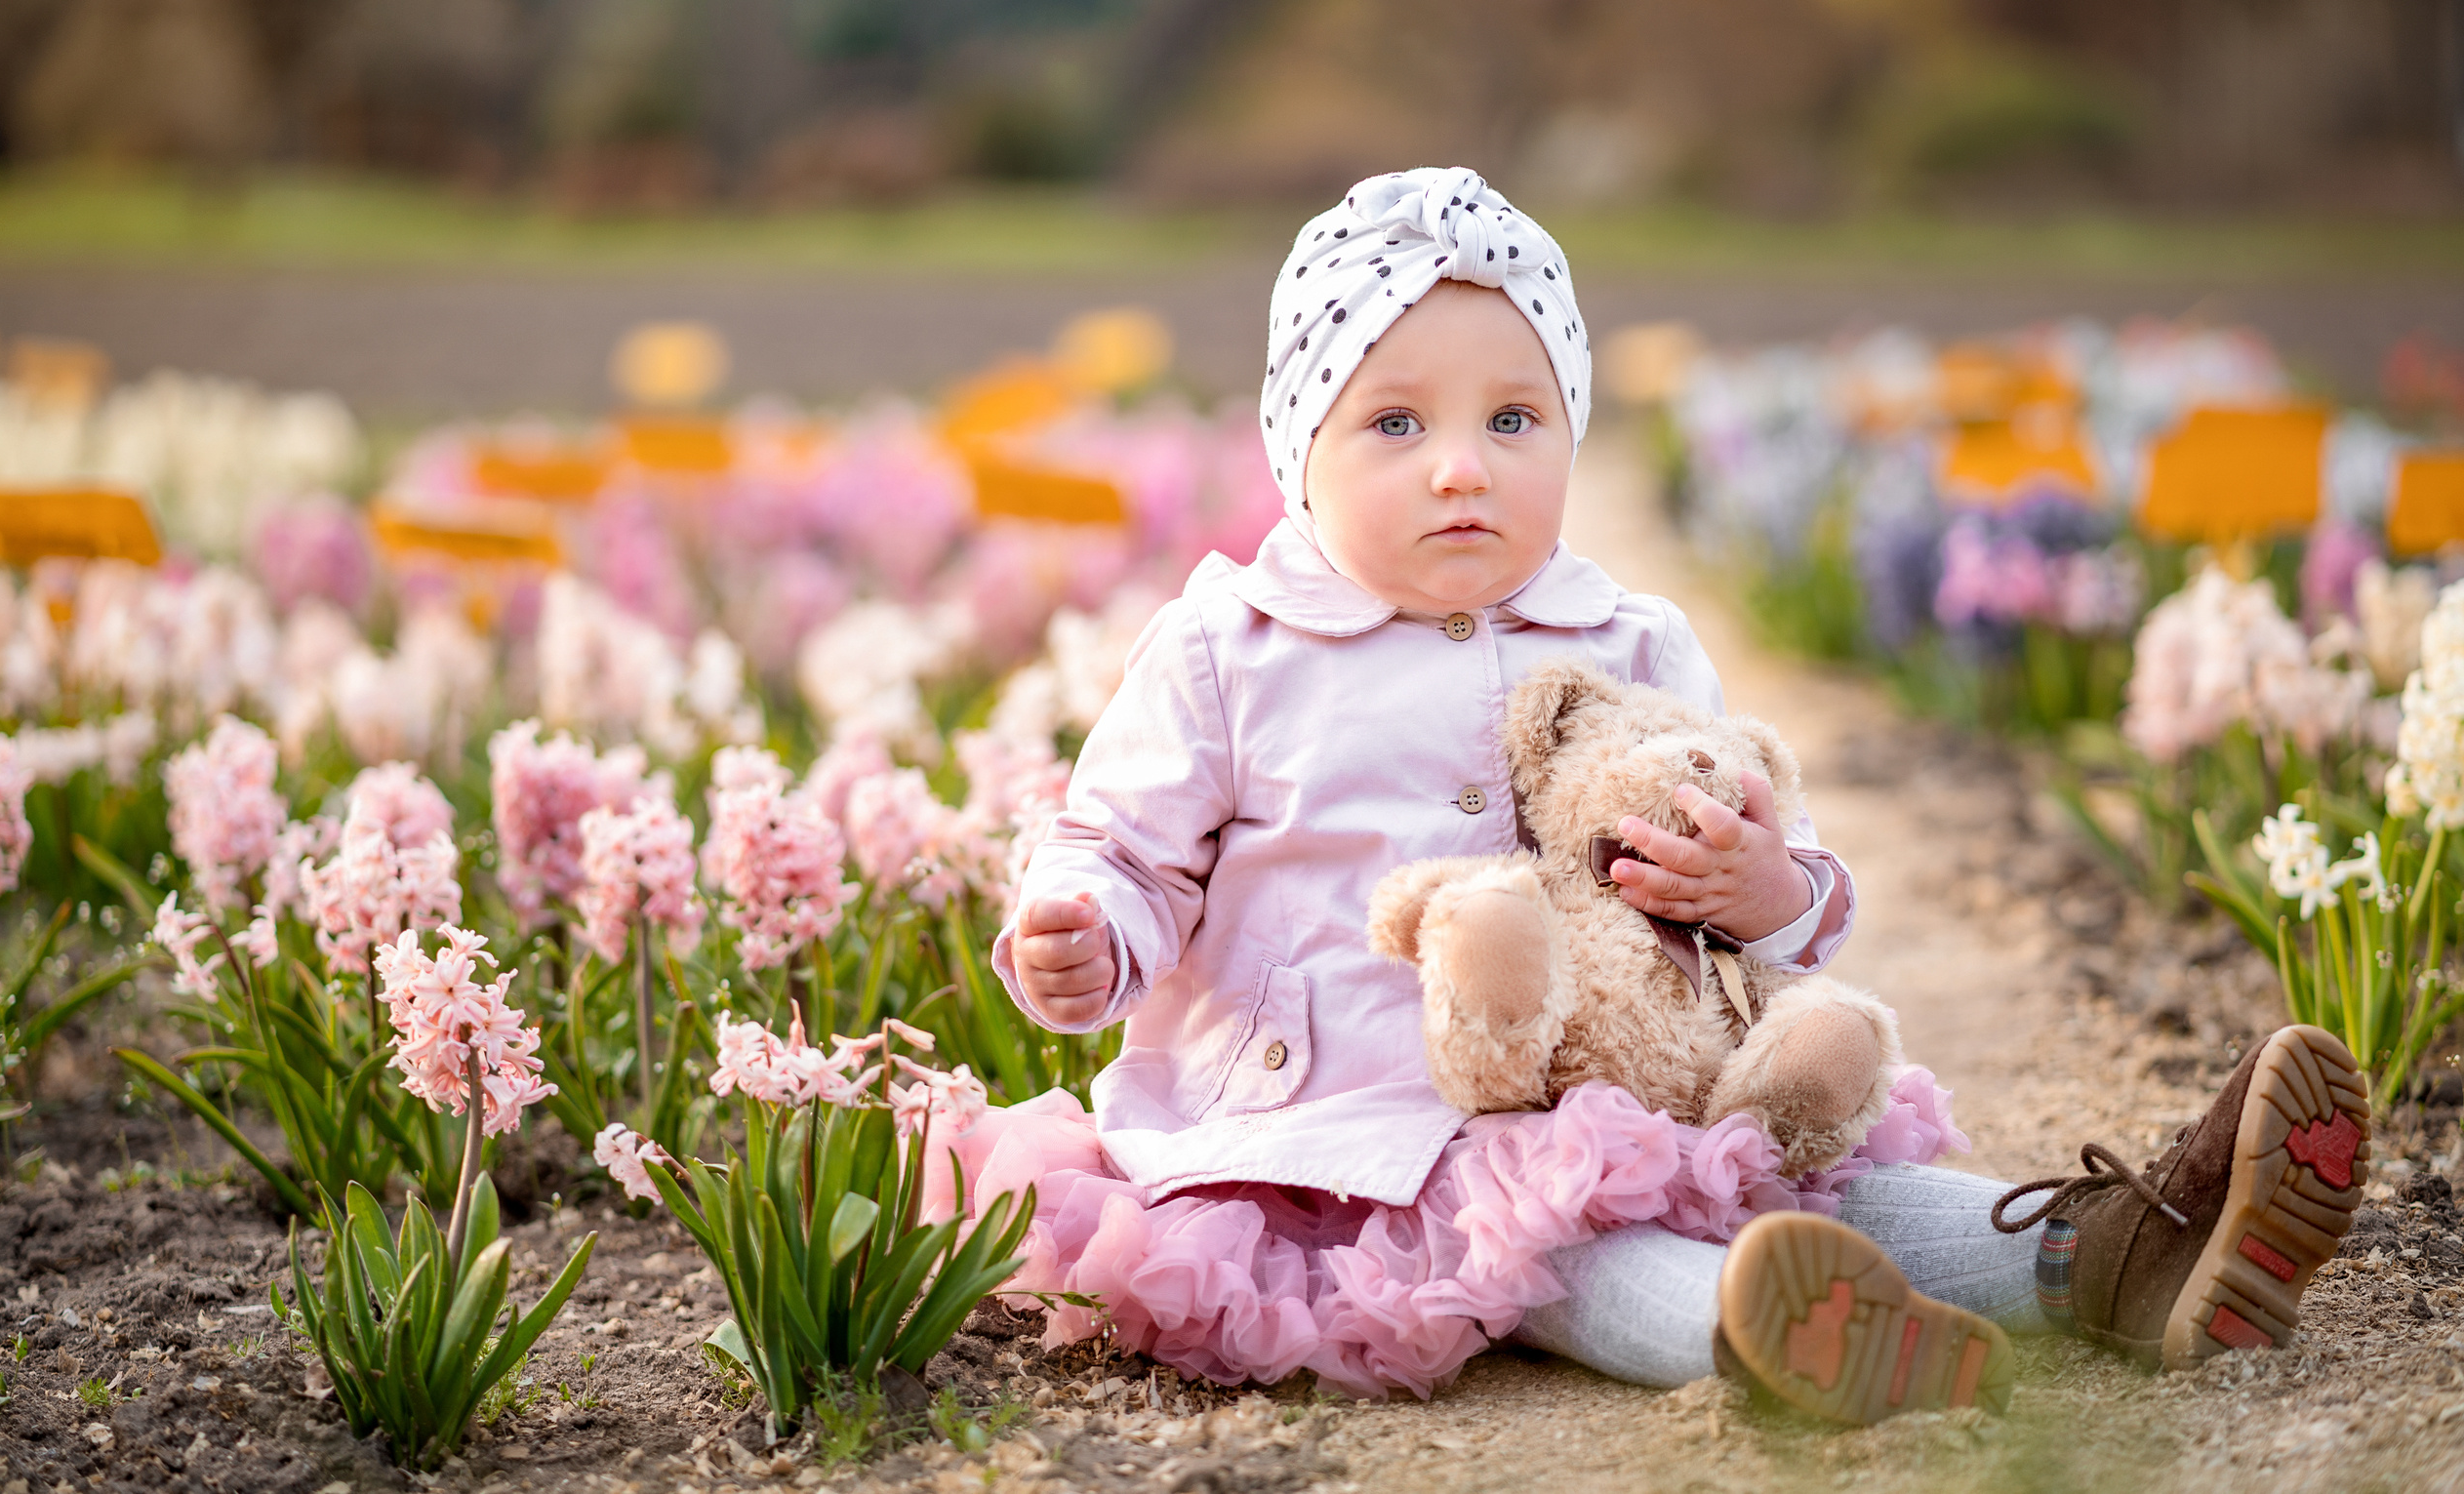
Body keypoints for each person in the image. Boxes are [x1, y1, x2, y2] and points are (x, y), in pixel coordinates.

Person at [933, 166, 2369, 1419]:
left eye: (1513, 419)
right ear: (1294, 446)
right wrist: (1086, 930)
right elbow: (1118, 846)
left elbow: (1783, 857)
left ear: (1569, 431)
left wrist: (1767, 892)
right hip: (1349, 1134)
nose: (1460, 468)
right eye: (1392, 426)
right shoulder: (1227, 651)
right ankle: (1763, 1328)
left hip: (1636, 1086)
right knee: (1552, 1248)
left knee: (1804, 1173)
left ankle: (2114, 1248)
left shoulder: (1631, 639)